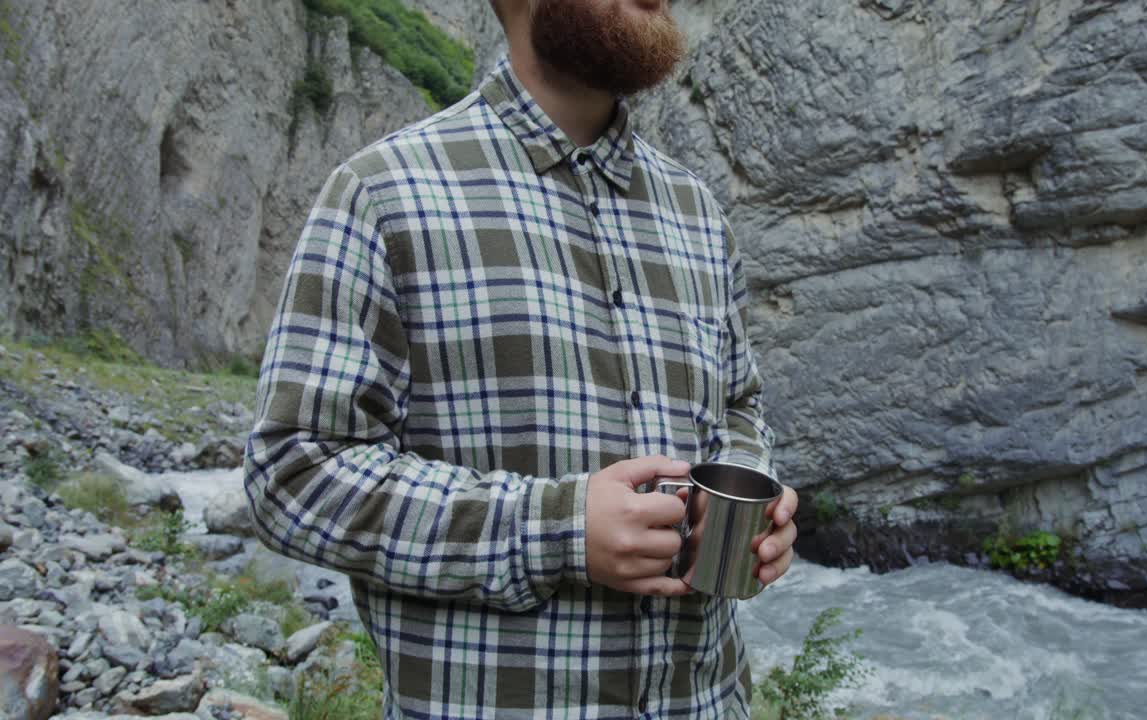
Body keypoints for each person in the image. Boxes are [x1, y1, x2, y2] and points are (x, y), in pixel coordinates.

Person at [243, 0, 798, 716]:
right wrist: (556, 530)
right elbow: (293, 474)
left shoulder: (697, 216)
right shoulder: (383, 195)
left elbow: (737, 403)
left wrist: (753, 496)